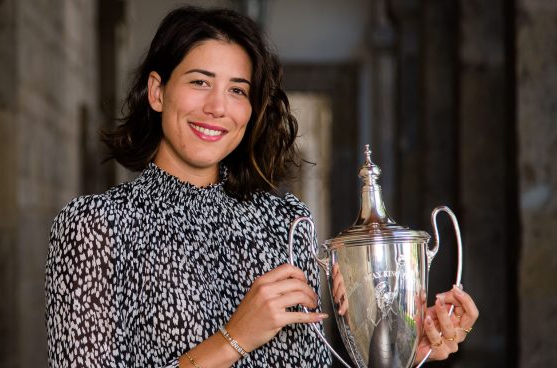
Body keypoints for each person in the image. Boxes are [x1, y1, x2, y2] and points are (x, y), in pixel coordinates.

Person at [45, 5, 478, 368]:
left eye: (238, 90)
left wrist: (404, 351)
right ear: (157, 92)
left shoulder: (287, 222)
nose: (218, 107)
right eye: (199, 82)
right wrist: (235, 337)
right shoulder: (94, 226)